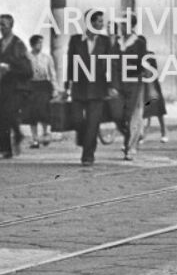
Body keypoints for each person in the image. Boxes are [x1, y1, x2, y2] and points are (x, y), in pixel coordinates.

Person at [66, 9, 119, 167]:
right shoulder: (76, 40)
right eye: (99, 21)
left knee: (93, 122)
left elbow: (110, 64)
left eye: (102, 21)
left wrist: (112, 86)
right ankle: (88, 141)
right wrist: (67, 85)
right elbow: (70, 63)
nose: (102, 24)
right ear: (90, 22)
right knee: (77, 120)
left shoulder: (104, 41)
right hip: (79, 87)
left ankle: (87, 155)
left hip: (98, 88)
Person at [0, 13, 33, 159]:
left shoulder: (18, 44)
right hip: (0, 87)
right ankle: (5, 149)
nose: (1, 28)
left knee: (8, 114)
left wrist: (10, 68)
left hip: (16, 87)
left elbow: (28, 69)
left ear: (11, 26)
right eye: (0, 24)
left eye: (4, 25)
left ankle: (17, 136)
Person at [114, 12, 156, 159]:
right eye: (121, 24)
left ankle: (130, 147)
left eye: (125, 24)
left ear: (131, 26)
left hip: (134, 82)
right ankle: (129, 140)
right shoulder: (117, 42)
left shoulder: (139, 43)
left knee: (134, 114)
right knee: (118, 114)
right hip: (118, 82)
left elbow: (143, 62)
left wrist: (145, 71)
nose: (122, 27)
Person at [25, 33, 57, 148]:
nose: (40, 45)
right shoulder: (27, 56)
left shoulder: (47, 57)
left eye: (41, 43)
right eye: (38, 43)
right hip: (31, 85)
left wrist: (55, 89)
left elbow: (52, 73)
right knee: (32, 113)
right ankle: (35, 138)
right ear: (33, 44)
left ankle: (45, 133)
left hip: (44, 85)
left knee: (44, 110)